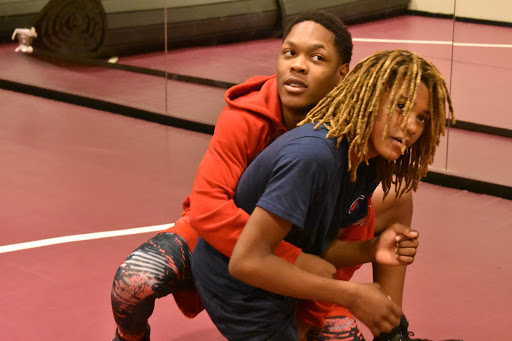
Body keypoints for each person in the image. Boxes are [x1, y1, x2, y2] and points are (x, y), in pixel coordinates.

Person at [111, 11, 421, 341]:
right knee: (133, 283)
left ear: (342, 75)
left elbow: (342, 242)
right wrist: (295, 258)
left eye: (316, 57)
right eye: (290, 53)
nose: (298, 65)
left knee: (343, 329)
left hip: (299, 248)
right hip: (219, 238)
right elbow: (207, 208)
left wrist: (310, 312)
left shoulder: (354, 141)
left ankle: (392, 331)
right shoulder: (247, 116)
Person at [191, 49, 454, 341]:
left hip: (282, 271)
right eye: (401, 106)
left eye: (421, 118)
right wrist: (350, 295)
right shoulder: (313, 157)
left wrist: (373, 248)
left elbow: (317, 246)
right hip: (237, 289)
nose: (412, 127)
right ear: (367, 99)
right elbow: (246, 262)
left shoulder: (364, 161)